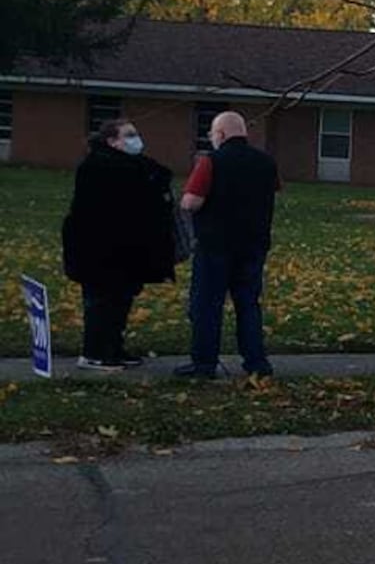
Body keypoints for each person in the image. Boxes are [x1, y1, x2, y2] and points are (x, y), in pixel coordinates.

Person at [62, 119, 178, 370]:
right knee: (102, 303)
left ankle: (113, 348)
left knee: (120, 302)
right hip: (100, 250)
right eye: (129, 135)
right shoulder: (99, 167)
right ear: (113, 141)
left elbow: (157, 179)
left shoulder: (134, 166)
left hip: (126, 251)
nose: (136, 139)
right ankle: (95, 352)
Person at [176, 112, 280, 379]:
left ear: (220, 134)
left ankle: (204, 363)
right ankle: (256, 362)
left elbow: (192, 202)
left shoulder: (211, 162)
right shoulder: (266, 163)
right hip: (254, 244)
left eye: (213, 134)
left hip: (215, 244)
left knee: (207, 305)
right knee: (248, 304)